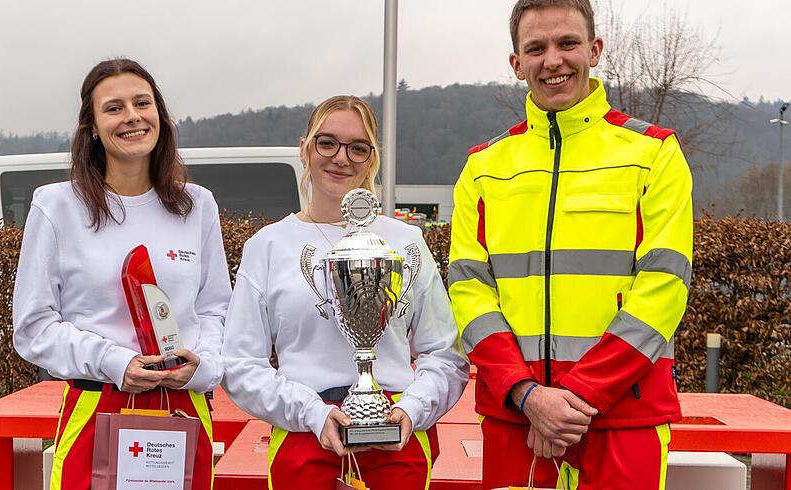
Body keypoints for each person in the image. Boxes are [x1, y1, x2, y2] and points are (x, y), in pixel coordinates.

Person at [448, 1, 693, 488]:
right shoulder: (483, 168)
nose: (553, 60)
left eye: (567, 43)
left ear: (594, 50)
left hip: (622, 415)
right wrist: (528, 396)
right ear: (517, 63)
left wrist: (575, 397)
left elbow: (664, 287)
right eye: (536, 48)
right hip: (517, 416)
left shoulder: (654, 154)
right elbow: (468, 291)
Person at [222, 95, 469, 490]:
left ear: (372, 160)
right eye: (327, 143)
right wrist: (311, 412)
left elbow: (445, 354)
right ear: (304, 149)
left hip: (396, 442)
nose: (341, 158)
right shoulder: (267, 246)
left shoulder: (405, 242)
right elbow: (239, 364)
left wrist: (412, 408)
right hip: (304, 440)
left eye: (358, 148)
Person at [12, 58, 231, 490]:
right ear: (92, 127)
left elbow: (215, 310)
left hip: (183, 407)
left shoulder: (198, 205)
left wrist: (202, 366)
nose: (132, 116)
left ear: (159, 116)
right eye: (114, 108)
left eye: (142, 103)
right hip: (97, 407)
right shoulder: (57, 206)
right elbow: (33, 327)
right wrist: (115, 362)